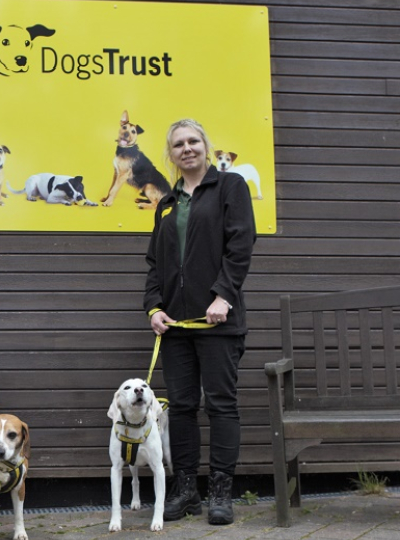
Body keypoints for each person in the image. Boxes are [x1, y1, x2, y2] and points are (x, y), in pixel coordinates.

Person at [143, 118, 256, 526]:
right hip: (176, 327)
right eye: (178, 144)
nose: (186, 148)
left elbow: (241, 244)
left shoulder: (230, 187)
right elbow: (155, 262)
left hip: (219, 322)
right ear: (170, 154)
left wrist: (224, 295)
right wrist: (154, 308)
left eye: (193, 141)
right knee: (183, 407)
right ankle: (186, 489)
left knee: (222, 405)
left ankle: (221, 492)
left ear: (206, 147)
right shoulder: (168, 202)